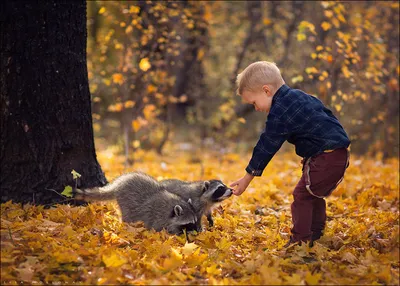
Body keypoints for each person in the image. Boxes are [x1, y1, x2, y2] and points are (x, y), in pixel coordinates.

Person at [230, 61, 350, 247]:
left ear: (266, 91)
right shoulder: (300, 97)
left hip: (326, 157)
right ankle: (315, 233)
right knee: (313, 194)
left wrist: (247, 177)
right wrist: (317, 149)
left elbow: (267, 144)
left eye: (254, 102)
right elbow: (327, 116)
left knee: (302, 196)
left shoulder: (280, 111)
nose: (256, 108)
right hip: (336, 153)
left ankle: (299, 241)